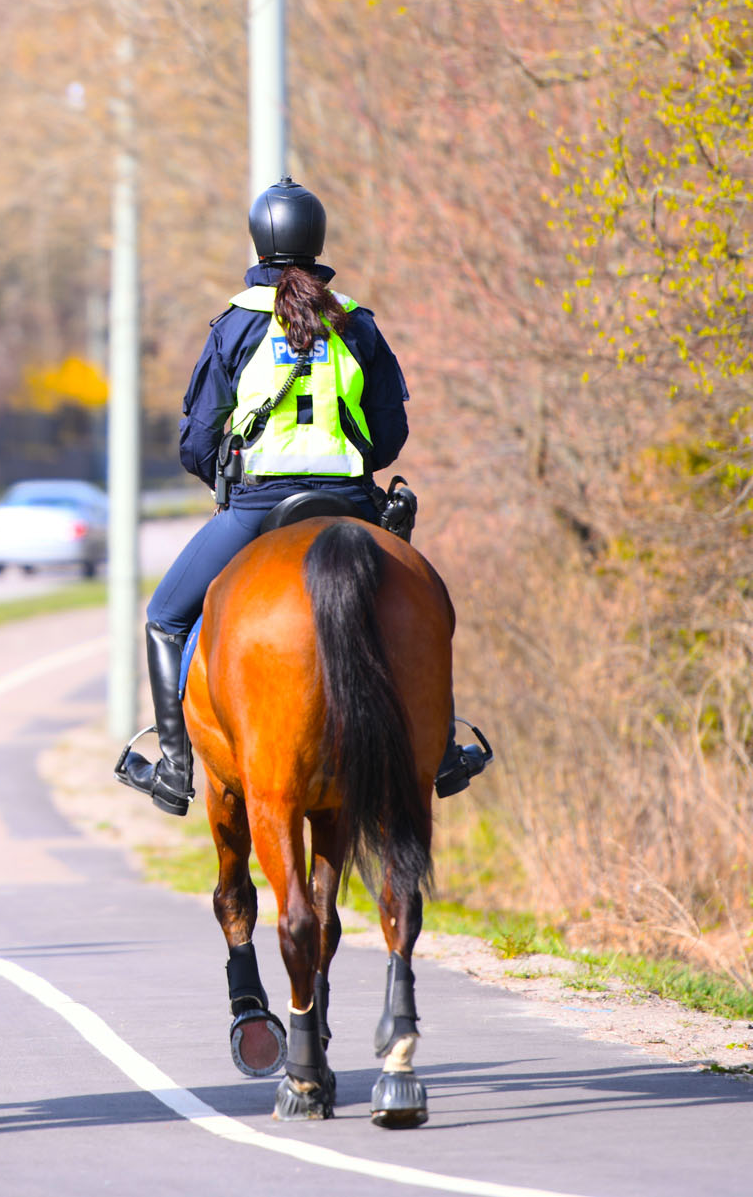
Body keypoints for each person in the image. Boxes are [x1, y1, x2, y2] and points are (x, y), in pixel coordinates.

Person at [116, 176, 490, 816]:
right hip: (352, 502)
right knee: (429, 606)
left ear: (259, 242)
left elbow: (197, 441)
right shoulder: (358, 323)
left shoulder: (233, 327)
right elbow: (391, 431)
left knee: (164, 618)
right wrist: (354, 469)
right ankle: (447, 750)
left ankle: (174, 769)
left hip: (259, 509)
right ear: (317, 241)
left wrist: (227, 480)